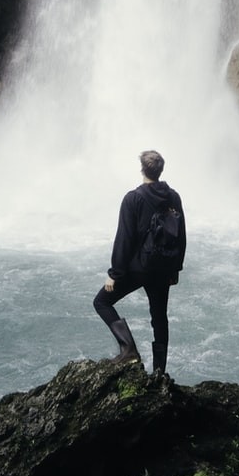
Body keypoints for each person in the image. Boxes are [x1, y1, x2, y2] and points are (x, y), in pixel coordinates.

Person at [94, 149, 185, 375]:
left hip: (139, 269)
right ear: (160, 170)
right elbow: (181, 235)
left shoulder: (133, 198)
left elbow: (125, 238)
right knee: (159, 317)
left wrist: (115, 274)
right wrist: (176, 269)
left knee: (102, 302)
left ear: (142, 169)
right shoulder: (173, 197)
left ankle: (129, 350)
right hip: (163, 268)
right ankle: (159, 372)